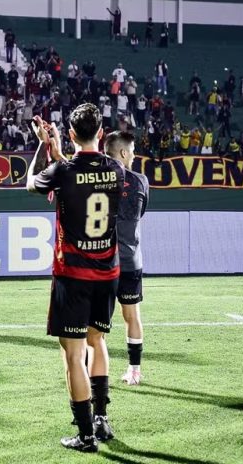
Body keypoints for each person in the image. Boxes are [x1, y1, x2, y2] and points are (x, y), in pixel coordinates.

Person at [25, 103, 125, 453]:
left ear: (70, 133)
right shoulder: (117, 170)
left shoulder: (63, 170)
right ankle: (102, 419)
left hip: (73, 274)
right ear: (101, 133)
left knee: (73, 355)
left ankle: (85, 436)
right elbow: (82, 172)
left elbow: (32, 184)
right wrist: (60, 155)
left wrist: (43, 145)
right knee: (98, 341)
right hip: (108, 273)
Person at [104, 131, 149, 386]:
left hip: (102, 261)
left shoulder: (95, 180)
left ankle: (96, 372)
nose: (133, 154)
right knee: (132, 316)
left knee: (96, 322)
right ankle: (134, 371)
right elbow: (139, 214)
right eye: (131, 150)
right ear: (122, 153)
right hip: (130, 261)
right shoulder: (140, 181)